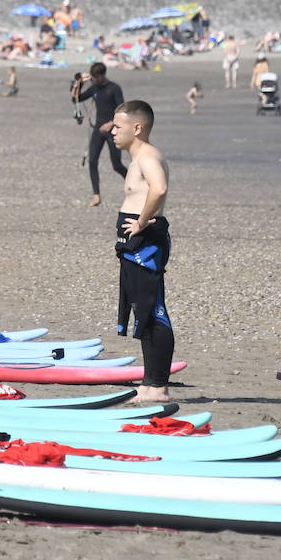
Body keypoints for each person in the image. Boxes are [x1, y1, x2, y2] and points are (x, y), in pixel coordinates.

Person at [109, 99, 174, 405]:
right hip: (136, 241)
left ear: (137, 128)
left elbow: (159, 189)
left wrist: (142, 222)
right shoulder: (137, 159)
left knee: (154, 309)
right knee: (142, 311)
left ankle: (158, 386)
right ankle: (149, 384)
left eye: (118, 126)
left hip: (146, 242)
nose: (112, 131)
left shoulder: (148, 157)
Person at [72, 62, 126, 208]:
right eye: (92, 78)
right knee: (92, 161)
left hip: (113, 131)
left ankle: (135, 186)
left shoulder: (114, 88)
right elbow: (76, 98)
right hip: (98, 130)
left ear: (102, 75)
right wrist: (79, 82)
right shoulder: (95, 88)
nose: (93, 80)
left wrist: (110, 123)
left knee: (116, 165)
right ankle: (96, 196)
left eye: (95, 78)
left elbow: (122, 110)